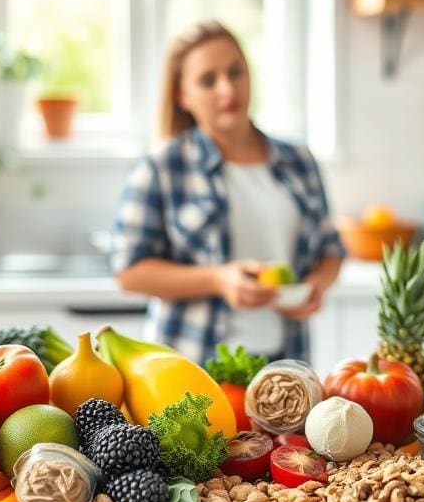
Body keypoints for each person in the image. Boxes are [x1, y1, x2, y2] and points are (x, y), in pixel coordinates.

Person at [110, 21, 344, 364]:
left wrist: (315, 286)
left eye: (236, 72)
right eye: (208, 80)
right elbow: (128, 272)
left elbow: (331, 249)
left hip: (285, 364)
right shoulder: (162, 166)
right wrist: (218, 280)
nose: (227, 89)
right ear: (182, 95)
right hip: (191, 365)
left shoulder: (299, 161)